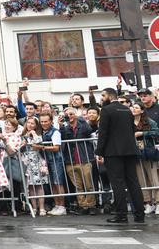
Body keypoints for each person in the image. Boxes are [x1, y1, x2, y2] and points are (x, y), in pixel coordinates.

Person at [96, 88, 146, 223]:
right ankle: (139, 214)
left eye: (103, 95)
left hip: (113, 152)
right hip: (130, 150)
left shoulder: (106, 110)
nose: (101, 98)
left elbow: (103, 133)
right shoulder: (126, 110)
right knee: (133, 182)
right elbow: (131, 130)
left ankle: (121, 214)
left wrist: (99, 152)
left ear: (109, 96)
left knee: (117, 183)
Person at [59, 107, 96, 215]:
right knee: (78, 186)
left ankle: (91, 205)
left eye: (71, 114)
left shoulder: (82, 125)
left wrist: (80, 118)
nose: (69, 116)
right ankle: (83, 206)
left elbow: (88, 131)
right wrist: (61, 125)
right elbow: (64, 137)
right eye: (67, 115)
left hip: (84, 159)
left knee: (88, 184)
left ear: (76, 115)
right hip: (71, 160)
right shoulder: (66, 128)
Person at [130, 101, 159, 215]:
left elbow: (156, 132)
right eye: (133, 107)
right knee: (141, 179)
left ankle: (157, 202)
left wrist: (142, 133)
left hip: (148, 152)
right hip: (136, 152)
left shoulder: (149, 121)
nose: (133, 109)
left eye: (136, 107)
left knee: (154, 178)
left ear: (141, 110)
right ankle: (148, 202)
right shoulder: (129, 122)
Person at [19, 116, 50, 216]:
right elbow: (18, 148)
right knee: (31, 186)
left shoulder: (38, 134)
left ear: (36, 125)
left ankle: (41, 208)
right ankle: (34, 207)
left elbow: (38, 142)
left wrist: (34, 134)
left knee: (39, 186)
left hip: (37, 162)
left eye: (32, 123)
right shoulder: (23, 135)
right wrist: (22, 145)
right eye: (28, 123)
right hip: (26, 162)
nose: (30, 125)